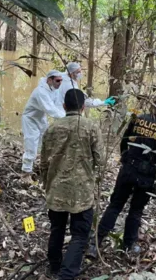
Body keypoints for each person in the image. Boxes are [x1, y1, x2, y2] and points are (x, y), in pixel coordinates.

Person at [87, 96, 156, 257]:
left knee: (115, 205)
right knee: (136, 211)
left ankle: (95, 244)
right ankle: (129, 245)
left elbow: (124, 140)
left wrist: (124, 157)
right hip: (147, 175)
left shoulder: (138, 119)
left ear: (151, 107)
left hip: (129, 169)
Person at [40, 88, 103, 280]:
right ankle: (66, 275)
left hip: (56, 189)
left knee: (57, 228)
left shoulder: (52, 128)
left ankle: (55, 266)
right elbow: (101, 160)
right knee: (80, 234)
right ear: (83, 107)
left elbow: (43, 162)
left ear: (64, 106)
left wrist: (47, 184)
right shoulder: (91, 127)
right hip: (81, 192)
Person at [21, 70, 65, 180]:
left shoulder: (54, 90)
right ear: (49, 80)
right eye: (57, 80)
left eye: (61, 80)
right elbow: (50, 109)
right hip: (30, 119)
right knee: (31, 145)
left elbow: (57, 106)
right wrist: (68, 118)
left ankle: (43, 167)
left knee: (47, 141)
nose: (60, 83)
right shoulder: (40, 92)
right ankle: (26, 173)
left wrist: (67, 114)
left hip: (41, 118)